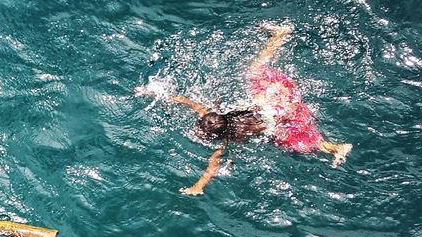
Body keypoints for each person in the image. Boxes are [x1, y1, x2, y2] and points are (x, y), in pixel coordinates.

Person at [138, 23, 353, 194]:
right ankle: (281, 34)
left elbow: (213, 166)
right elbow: (191, 103)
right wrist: (157, 93)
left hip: (284, 118)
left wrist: (198, 187)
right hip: (281, 97)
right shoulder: (219, 117)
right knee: (255, 70)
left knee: (297, 142)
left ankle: (336, 147)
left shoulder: (227, 139)